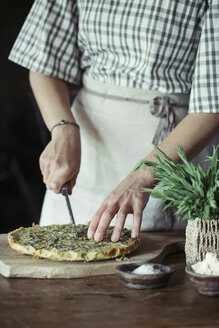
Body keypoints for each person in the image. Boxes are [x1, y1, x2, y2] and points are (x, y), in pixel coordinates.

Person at [9, 1, 219, 242]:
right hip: (87, 157)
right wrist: (62, 128)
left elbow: (213, 106)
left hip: (174, 158)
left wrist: (144, 175)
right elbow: (44, 63)